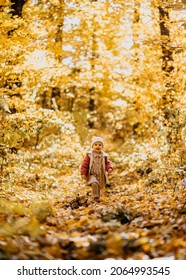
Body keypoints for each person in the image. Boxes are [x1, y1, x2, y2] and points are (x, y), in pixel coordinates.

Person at [80, 136, 113, 202]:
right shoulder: (89, 155)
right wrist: (83, 173)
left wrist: (109, 168)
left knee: (98, 185)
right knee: (94, 183)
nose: (97, 146)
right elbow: (85, 164)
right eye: (95, 144)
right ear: (92, 146)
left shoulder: (104, 155)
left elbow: (107, 163)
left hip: (100, 174)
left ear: (102, 146)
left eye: (100, 145)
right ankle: (95, 198)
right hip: (92, 173)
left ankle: (98, 197)